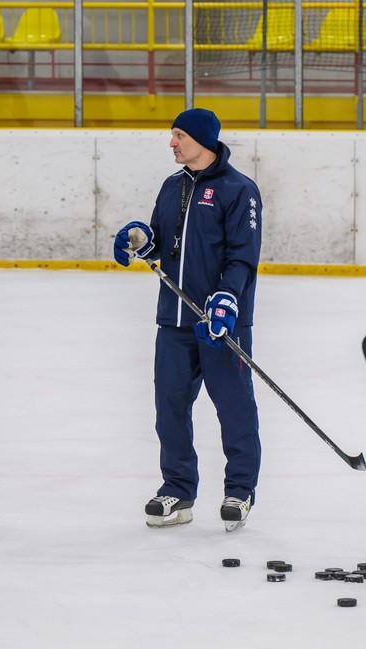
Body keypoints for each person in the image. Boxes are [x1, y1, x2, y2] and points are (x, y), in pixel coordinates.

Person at [112, 108, 262, 532]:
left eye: (178, 135)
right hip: (174, 321)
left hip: (220, 323)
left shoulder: (239, 190)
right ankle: (177, 490)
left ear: (203, 139)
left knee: (233, 407)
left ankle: (240, 490)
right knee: (170, 408)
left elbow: (243, 257)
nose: (172, 143)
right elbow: (161, 243)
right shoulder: (171, 186)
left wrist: (227, 301)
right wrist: (140, 240)